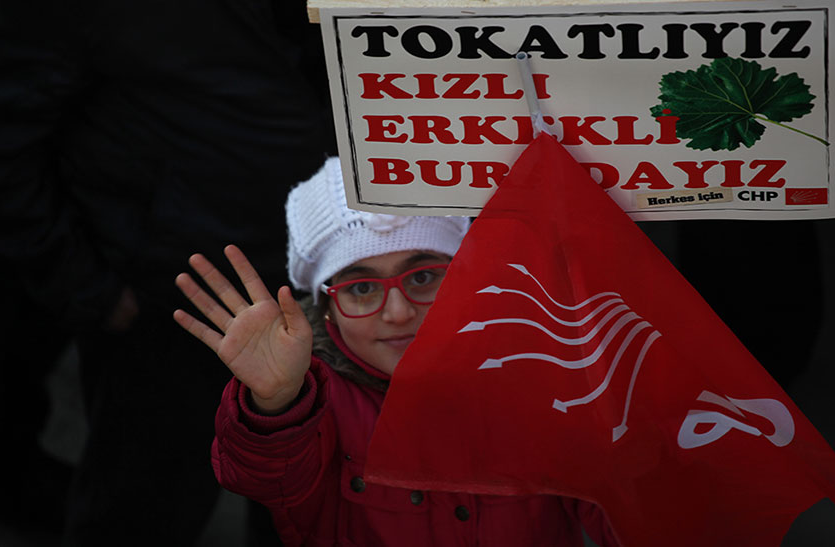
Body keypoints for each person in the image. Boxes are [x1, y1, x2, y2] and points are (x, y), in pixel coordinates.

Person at [0, 0, 408, 543]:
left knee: (314, 503)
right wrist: (86, 287)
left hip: (336, 274)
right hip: (177, 302)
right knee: (143, 509)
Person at [174, 157, 619, 546]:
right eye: (362, 288)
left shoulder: (542, 373)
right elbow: (260, 477)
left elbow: (626, 514)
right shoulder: (315, 403)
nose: (399, 312)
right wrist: (276, 404)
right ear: (326, 306)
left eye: (424, 276)